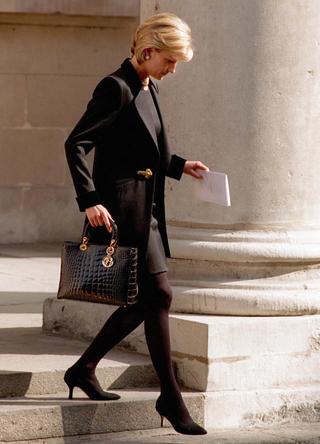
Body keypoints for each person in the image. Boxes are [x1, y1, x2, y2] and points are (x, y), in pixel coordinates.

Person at [64, 13, 209, 435]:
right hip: (124, 208)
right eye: (170, 59)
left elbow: (153, 154)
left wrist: (182, 166)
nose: (173, 68)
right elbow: (76, 143)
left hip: (149, 208)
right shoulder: (116, 87)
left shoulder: (150, 85)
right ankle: (171, 395)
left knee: (144, 301)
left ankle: (84, 368)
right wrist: (89, 200)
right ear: (148, 52)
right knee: (159, 294)